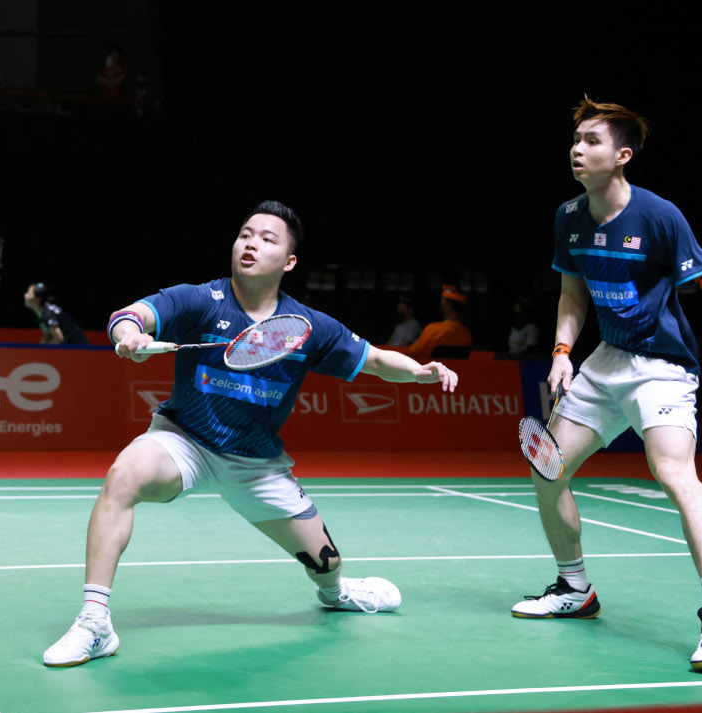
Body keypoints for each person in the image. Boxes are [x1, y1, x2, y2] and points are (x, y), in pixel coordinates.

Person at [43, 200, 459, 667]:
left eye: (267, 238)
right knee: (124, 477)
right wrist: (131, 335)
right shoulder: (201, 299)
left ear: (289, 261)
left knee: (326, 563)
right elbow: (131, 314)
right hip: (186, 440)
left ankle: (338, 593)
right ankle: (95, 622)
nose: (251, 243)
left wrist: (419, 372)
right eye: (245, 234)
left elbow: (377, 360)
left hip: (257, 464)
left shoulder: (307, 327)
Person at [510, 97, 702, 670]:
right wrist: (564, 351)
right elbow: (572, 294)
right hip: (605, 358)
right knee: (548, 469)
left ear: (621, 156)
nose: (577, 148)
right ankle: (575, 589)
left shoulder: (659, 215)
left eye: (592, 141)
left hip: (661, 365)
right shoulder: (569, 217)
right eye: (575, 140)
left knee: (672, 472)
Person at [405, 285, 473, 361]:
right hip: (458, 372)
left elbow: (414, 352)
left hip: (433, 372)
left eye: (442, 301)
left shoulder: (432, 329)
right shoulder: (467, 334)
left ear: (446, 305)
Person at [23, 283, 89, 345]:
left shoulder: (48, 313)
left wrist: (43, 348)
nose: (25, 295)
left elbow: (59, 339)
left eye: (28, 293)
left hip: (78, 348)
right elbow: (47, 336)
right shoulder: (41, 312)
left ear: (37, 299)